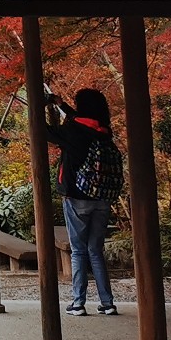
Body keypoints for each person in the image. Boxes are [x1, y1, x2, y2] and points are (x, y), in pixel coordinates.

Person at [49, 87, 120, 316]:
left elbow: (46, 132)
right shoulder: (104, 130)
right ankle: (107, 303)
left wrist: (42, 105)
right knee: (95, 250)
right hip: (102, 197)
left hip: (77, 197)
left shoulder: (73, 130)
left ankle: (78, 303)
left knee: (78, 251)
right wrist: (61, 105)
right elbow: (82, 121)